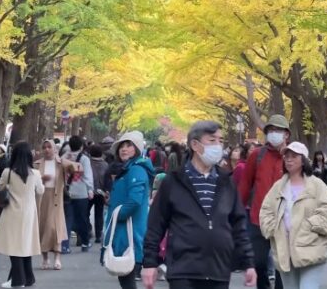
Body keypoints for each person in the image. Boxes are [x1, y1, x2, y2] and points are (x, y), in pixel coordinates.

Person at [142, 120, 256, 289]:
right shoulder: (174, 181)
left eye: (220, 140)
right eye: (212, 140)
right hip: (183, 269)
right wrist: (149, 262)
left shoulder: (226, 182)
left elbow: (238, 224)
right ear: (195, 145)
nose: (218, 145)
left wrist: (248, 262)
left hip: (218, 269)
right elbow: (156, 225)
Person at [259, 142, 327, 289]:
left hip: (311, 248)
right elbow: (266, 210)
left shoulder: (316, 185)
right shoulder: (279, 186)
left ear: (303, 160)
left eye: (294, 156)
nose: (289, 159)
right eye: (286, 156)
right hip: (285, 251)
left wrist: (310, 226)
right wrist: (272, 229)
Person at [238, 115, 291, 289]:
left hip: (284, 220)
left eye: (278, 130)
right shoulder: (257, 155)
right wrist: (236, 211)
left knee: (282, 266)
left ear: (286, 134)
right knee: (258, 262)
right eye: (270, 131)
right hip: (257, 219)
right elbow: (246, 184)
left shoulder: (293, 156)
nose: (273, 134)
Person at [103, 131, 156, 289]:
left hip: (130, 232)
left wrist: (115, 214)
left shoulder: (136, 170)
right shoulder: (128, 169)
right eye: (122, 146)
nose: (124, 149)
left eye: (129, 145)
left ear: (137, 150)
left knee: (127, 279)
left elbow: (134, 201)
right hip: (126, 231)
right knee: (125, 279)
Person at [0, 142, 45, 288]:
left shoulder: (8, 172)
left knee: (13, 246)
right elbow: (40, 190)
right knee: (25, 245)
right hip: (29, 213)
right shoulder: (35, 174)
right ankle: (28, 278)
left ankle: (18, 281)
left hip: (11, 212)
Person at [35, 138, 80, 270]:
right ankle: (45, 258)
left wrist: (64, 159)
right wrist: (41, 179)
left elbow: (75, 169)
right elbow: (31, 180)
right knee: (43, 227)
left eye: (50, 147)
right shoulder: (37, 164)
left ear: (55, 149)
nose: (47, 150)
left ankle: (57, 258)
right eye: (44, 147)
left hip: (56, 199)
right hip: (42, 198)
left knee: (55, 228)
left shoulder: (60, 164)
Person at [63, 135, 95, 252]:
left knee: (67, 218)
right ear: (81, 146)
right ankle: (85, 242)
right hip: (81, 192)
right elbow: (87, 175)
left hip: (66, 191)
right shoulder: (84, 159)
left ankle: (65, 245)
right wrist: (90, 189)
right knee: (82, 218)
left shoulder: (65, 157)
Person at [88, 143, 110, 245]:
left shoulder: (88, 163)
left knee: (85, 212)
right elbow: (107, 180)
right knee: (99, 214)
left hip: (89, 191)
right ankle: (98, 235)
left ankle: (87, 230)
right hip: (101, 192)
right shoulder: (105, 164)